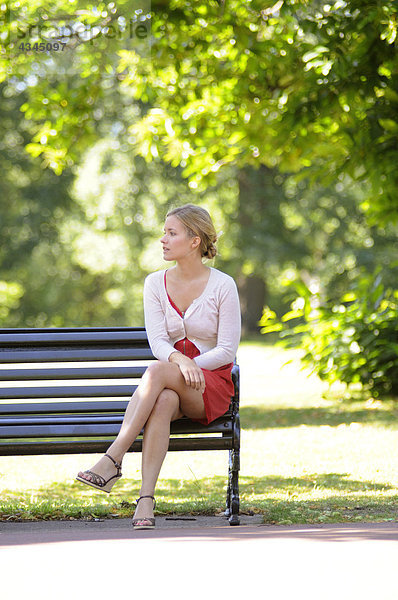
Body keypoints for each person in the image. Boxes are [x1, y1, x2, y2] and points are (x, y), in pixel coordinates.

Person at [76, 204, 241, 529]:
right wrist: (179, 361)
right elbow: (159, 344)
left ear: (194, 241)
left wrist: (189, 365)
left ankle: (113, 458)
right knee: (163, 399)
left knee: (155, 371)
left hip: (211, 386)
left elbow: (226, 350)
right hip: (173, 382)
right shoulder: (154, 283)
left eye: (171, 233)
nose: (163, 239)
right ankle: (145, 502)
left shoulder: (224, 286)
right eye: (165, 232)